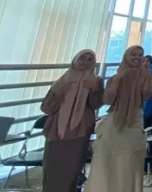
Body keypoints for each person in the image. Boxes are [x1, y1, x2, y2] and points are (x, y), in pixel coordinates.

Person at [85, 45, 152, 192]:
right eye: (133, 54)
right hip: (115, 122)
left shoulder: (144, 76)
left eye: (140, 54)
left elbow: (146, 95)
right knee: (109, 161)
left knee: (130, 162)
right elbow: (108, 100)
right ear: (126, 56)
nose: (137, 57)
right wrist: (117, 80)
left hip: (134, 122)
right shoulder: (115, 77)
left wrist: (148, 77)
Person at [40, 50, 104, 192]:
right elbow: (46, 108)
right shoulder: (62, 81)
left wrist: (94, 90)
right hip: (57, 133)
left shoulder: (96, 81)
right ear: (75, 60)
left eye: (90, 59)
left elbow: (96, 105)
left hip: (79, 132)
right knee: (51, 170)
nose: (85, 62)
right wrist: (58, 93)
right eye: (82, 58)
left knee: (71, 172)